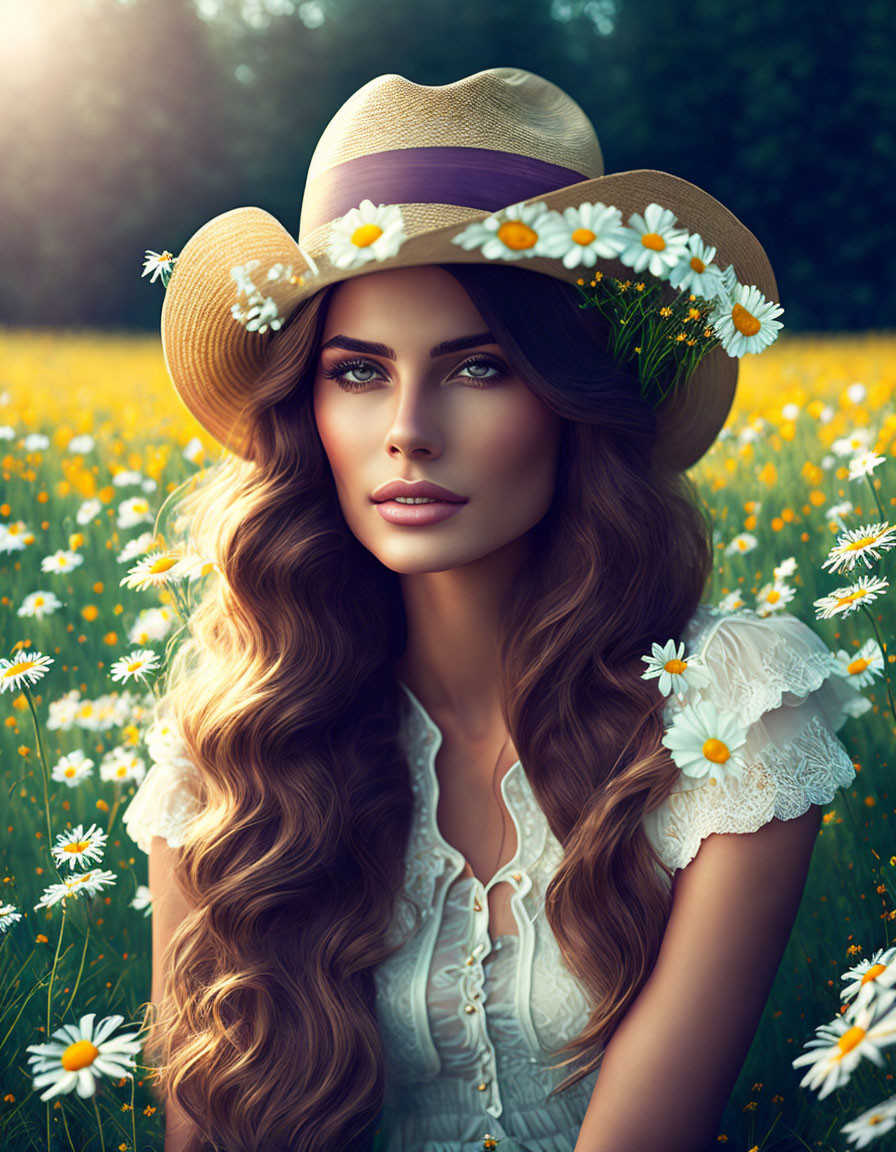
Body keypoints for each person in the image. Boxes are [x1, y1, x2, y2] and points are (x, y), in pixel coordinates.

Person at [123, 69, 868, 1152]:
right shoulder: (227, 752)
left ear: (572, 397)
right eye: (357, 371)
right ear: (305, 408)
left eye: (478, 367)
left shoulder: (727, 720)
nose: (408, 431)